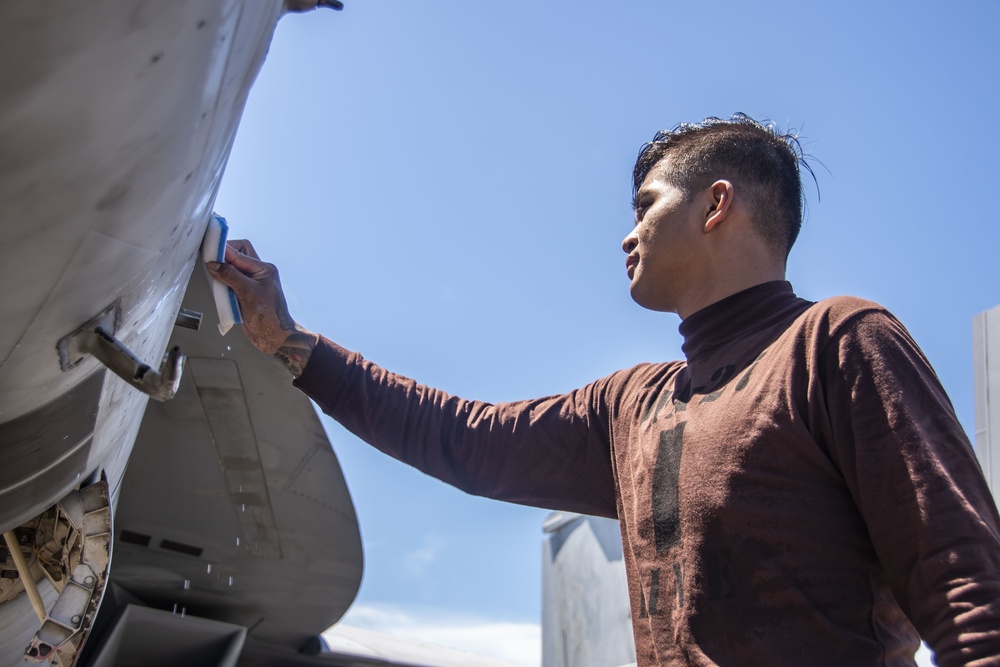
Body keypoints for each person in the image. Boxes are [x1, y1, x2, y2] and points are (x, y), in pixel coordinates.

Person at [207, 114, 1000, 666]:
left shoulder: (839, 343)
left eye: (645, 206)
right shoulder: (630, 407)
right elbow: (465, 439)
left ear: (716, 204)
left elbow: (966, 585)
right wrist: (289, 342)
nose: (626, 234)